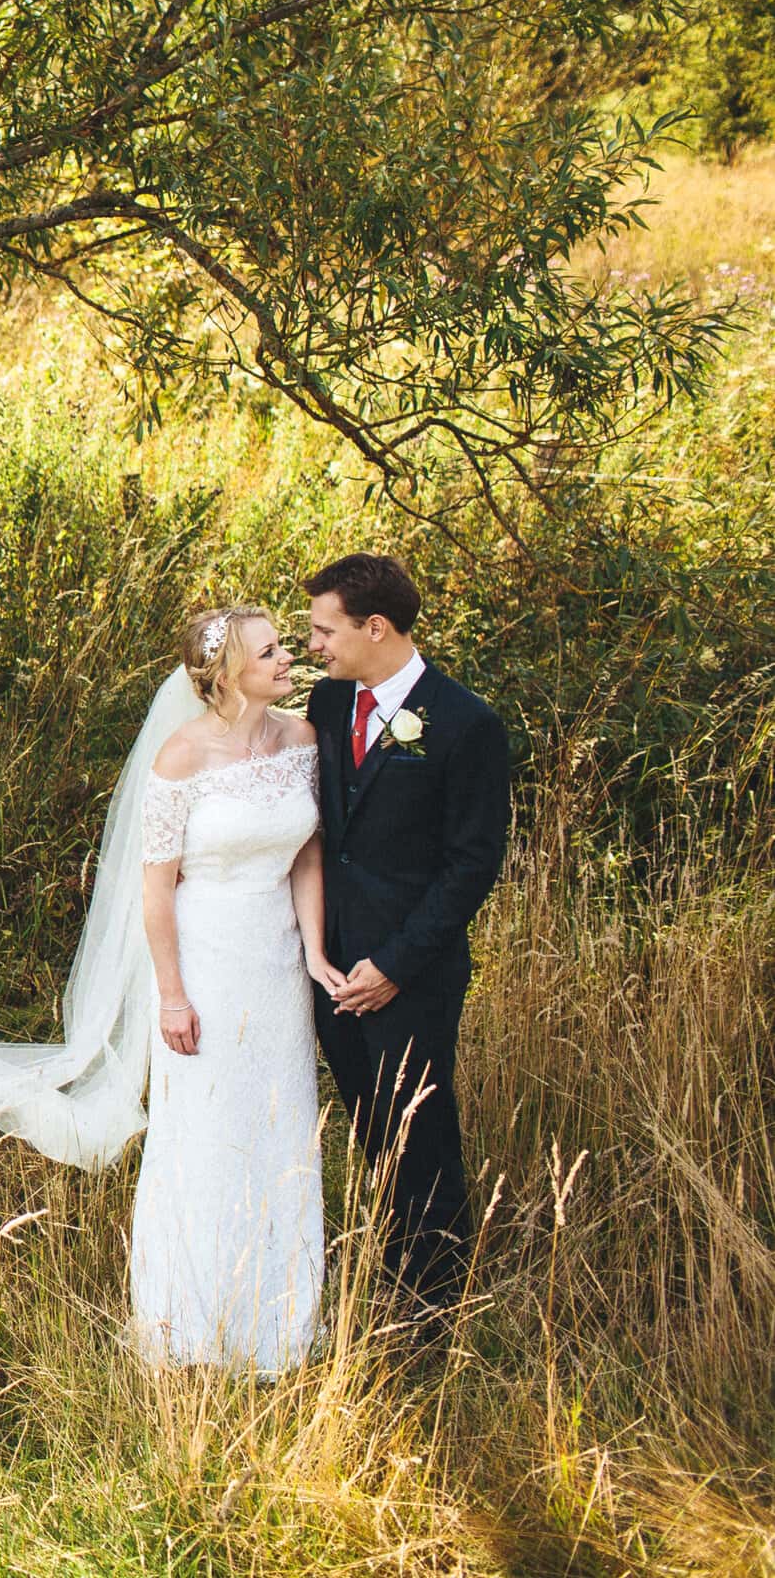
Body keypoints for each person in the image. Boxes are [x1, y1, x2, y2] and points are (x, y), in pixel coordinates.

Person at [0, 606, 329, 1373]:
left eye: (284, 645)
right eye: (271, 650)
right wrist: (174, 996)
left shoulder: (301, 739)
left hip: (278, 963)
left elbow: (308, 857)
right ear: (226, 675)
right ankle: (189, 1319)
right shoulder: (180, 759)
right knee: (204, 1129)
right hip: (205, 962)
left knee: (280, 1121)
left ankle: (281, 1320)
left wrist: (317, 955)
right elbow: (155, 893)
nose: (288, 657)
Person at [300, 553, 511, 1329]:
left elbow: (470, 865)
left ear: (375, 627)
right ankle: (394, 1277)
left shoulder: (465, 722)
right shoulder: (326, 705)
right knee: (371, 1134)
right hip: (330, 972)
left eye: (325, 630)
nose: (315, 645)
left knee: (422, 1139)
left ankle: (434, 1313)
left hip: (410, 972)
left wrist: (393, 965)